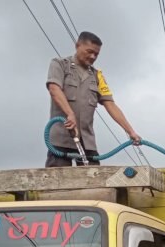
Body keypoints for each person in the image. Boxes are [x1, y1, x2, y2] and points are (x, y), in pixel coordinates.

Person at [45, 31, 141, 167]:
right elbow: (54, 89)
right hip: (61, 139)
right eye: (89, 52)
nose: (93, 56)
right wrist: (69, 114)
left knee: (95, 182)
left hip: (87, 142)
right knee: (56, 182)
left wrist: (130, 131)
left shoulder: (97, 76)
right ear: (77, 46)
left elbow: (110, 105)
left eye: (96, 54)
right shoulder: (59, 64)